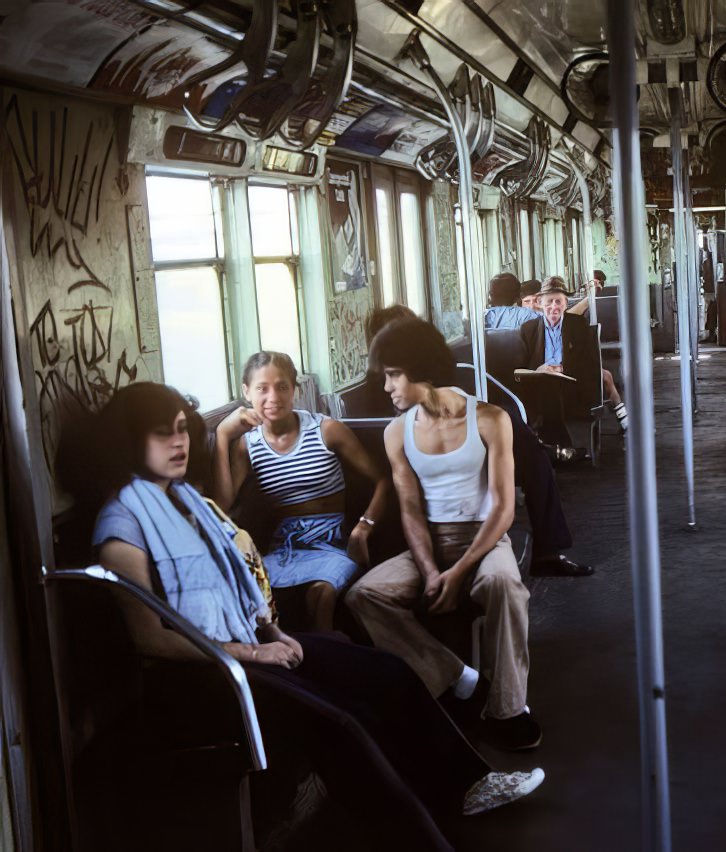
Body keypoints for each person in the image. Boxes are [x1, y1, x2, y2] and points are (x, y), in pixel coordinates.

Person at [90, 383, 544, 849]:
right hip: (204, 677)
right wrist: (253, 651)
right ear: (130, 443)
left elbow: (240, 584)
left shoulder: (188, 504)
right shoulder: (122, 528)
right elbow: (152, 640)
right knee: (345, 720)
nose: (180, 443)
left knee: (385, 670)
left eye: (183, 430)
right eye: (162, 435)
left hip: (250, 648)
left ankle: (469, 783)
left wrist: (275, 633)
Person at [346, 318, 543, 751]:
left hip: (485, 536)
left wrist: (460, 573)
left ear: (418, 369)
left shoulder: (490, 419)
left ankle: (509, 708)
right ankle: (456, 677)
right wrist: (432, 570)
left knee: (503, 585)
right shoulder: (396, 432)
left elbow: (502, 507)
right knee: (365, 594)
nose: (387, 387)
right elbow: (411, 510)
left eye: (393, 374)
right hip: (432, 540)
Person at [348, 306, 593, 579]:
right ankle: (548, 451)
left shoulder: (429, 368)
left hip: (453, 431)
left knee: (527, 449)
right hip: (409, 447)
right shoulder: (382, 380)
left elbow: (448, 399)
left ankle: (546, 547)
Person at [212, 352, 390, 632]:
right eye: (262, 388)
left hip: (333, 542)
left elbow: (383, 480)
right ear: (246, 392)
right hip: (285, 547)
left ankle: (327, 665)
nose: (273, 397)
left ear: (295, 389)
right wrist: (222, 436)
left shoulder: (326, 430)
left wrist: (363, 528)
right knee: (249, 596)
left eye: (282, 386)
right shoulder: (247, 446)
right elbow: (220, 505)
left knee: (320, 596)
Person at [518, 278, 627, 448]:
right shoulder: (528, 329)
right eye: (549, 302)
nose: (553, 306)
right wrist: (539, 369)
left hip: (573, 387)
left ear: (565, 304)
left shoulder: (578, 326)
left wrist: (562, 368)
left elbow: (590, 364)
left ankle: (556, 444)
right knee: (546, 387)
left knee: (554, 386)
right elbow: (523, 365)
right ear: (540, 303)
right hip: (539, 388)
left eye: (558, 301)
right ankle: (558, 445)